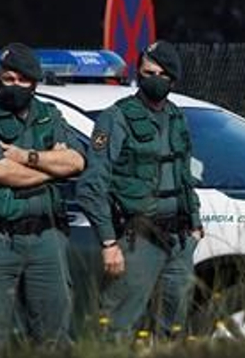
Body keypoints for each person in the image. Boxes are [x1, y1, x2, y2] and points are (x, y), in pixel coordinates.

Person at [0, 43, 86, 355]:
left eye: (21, 80)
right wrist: (52, 168)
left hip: (46, 238)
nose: (14, 86)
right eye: (8, 78)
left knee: (55, 341)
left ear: (34, 83)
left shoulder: (49, 115)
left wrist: (24, 156)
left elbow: (77, 162)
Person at [75, 40, 203, 342]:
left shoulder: (176, 117)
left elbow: (184, 172)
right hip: (137, 237)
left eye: (161, 74)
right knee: (117, 323)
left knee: (174, 325)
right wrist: (109, 242)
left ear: (172, 79)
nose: (153, 80)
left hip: (179, 239)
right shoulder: (116, 117)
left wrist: (195, 224)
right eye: (147, 72)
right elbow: (92, 185)